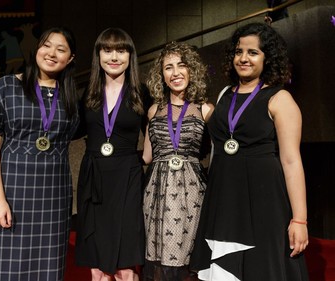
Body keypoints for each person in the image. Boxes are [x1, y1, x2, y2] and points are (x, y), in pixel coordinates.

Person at [190, 22, 309, 281]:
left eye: (253, 52)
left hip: (263, 203)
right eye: (238, 51)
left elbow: (291, 162)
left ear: (268, 58)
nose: (243, 58)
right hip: (223, 201)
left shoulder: (280, 99)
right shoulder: (224, 95)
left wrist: (300, 220)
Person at [0, 26, 79, 281]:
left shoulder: (71, 95)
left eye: (60, 49)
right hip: (12, 192)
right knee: (6, 270)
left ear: (70, 58)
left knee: (48, 271)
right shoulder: (7, 86)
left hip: (54, 197)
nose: (51, 53)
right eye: (46, 45)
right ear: (37, 48)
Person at [75, 27, 146, 281]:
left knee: (126, 268)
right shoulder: (87, 94)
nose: (114, 57)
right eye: (107, 50)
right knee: (98, 269)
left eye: (121, 50)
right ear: (98, 55)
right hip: (94, 179)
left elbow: (155, 138)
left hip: (127, 179)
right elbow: (70, 130)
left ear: (130, 56)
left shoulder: (142, 92)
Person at [142, 41, 214, 281]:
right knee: (159, 260)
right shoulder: (153, 110)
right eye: (168, 68)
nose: (175, 73)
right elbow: (147, 156)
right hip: (157, 193)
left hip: (192, 193)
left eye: (181, 66)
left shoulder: (205, 109)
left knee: (189, 259)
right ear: (161, 75)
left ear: (191, 70)